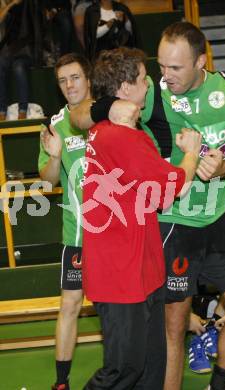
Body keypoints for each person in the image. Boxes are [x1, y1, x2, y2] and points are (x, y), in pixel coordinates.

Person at [70, 21, 225, 390]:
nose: (165, 75)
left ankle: (220, 383)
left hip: (218, 216)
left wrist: (224, 167)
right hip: (172, 221)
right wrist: (108, 107)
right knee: (171, 326)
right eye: (160, 66)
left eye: (175, 67)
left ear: (199, 62)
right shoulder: (151, 94)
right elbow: (80, 115)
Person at [81, 47, 202, 390]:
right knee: (124, 370)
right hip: (120, 277)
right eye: (142, 78)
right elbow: (173, 187)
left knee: (151, 369)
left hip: (141, 270)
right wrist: (192, 152)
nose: (149, 83)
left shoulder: (114, 131)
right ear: (123, 89)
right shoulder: (118, 136)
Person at [38, 52, 137, 390]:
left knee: (119, 306)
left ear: (89, 79)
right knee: (70, 304)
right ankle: (61, 382)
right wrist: (54, 156)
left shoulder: (110, 114)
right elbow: (49, 180)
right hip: (78, 234)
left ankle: (122, 373)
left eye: (75, 77)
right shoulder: (56, 124)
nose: (69, 85)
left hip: (116, 233)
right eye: (63, 81)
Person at [0, 0, 41, 120]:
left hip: (26, 52)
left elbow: (35, 32)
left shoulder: (30, 5)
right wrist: (11, 5)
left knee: (18, 68)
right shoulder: (9, 8)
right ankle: (1, 110)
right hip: (10, 52)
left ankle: (22, 110)